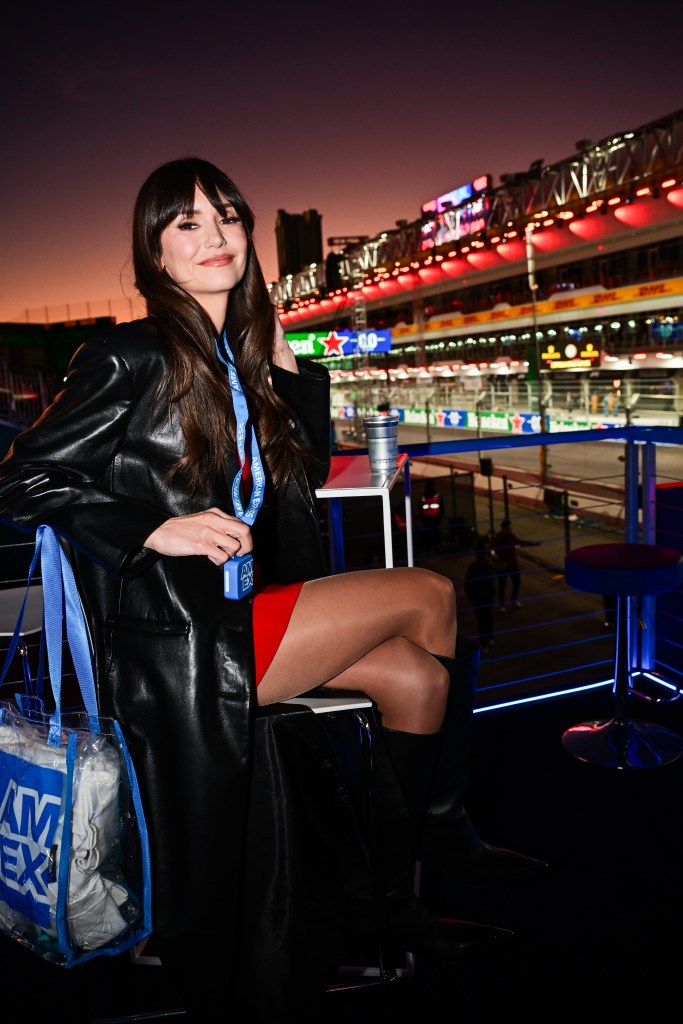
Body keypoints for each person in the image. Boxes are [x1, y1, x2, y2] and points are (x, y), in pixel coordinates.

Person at [0, 158, 544, 1019]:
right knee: (429, 596)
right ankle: (441, 850)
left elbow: (304, 471)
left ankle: (386, 901)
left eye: (227, 217)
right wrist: (151, 528)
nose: (214, 236)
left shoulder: (234, 360)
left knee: (422, 678)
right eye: (186, 224)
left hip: (245, 619)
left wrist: (281, 356)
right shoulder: (129, 352)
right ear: (155, 254)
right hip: (182, 646)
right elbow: (25, 479)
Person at [491, 517, 539, 611]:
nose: (511, 529)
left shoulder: (511, 536)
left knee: (517, 582)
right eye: (509, 528)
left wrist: (532, 544)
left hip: (513, 564)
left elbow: (519, 542)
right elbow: (491, 552)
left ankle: (513, 600)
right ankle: (502, 605)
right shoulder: (498, 539)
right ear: (504, 528)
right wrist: (500, 561)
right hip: (503, 566)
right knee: (502, 585)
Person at [464, 542, 497, 649]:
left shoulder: (473, 567)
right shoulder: (489, 566)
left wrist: (472, 598)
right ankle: (490, 638)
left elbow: (468, 585)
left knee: (481, 621)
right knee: (488, 618)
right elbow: (492, 583)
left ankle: (484, 643)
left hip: (478, 600)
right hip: (488, 598)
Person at [419, 478, 444, 551]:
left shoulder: (437, 495)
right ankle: (430, 547)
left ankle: (437, 546)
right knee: (428, 533)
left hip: (435, 517)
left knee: (436, 533)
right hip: (427, 518)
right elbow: (421, 508)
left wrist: (441, 515)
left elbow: (441, 506)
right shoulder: (423, 497)